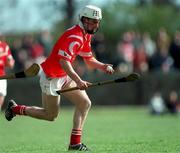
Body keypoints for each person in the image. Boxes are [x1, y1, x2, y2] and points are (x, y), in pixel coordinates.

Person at [5, 5, 114, 151]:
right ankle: (16, 109)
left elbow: (88, 59)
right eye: (92, 21)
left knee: (84, 103)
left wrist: (103, 66)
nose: (95, 25)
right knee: (50, 115)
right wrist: (78, 80)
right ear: (83, 20)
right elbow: (64, 62)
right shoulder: (74, 37)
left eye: (97, 21)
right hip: (51, 78)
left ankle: (75, 143)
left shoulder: (86, 35)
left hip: (63, 76)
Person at [0, 37, 15, 110]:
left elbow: (11, 64)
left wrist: (10, 61)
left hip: (1, 76)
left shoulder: (4, 46)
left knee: (1, 96)